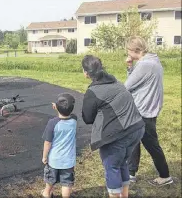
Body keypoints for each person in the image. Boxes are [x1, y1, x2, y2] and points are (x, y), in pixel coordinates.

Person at [81, 55, 145, 198]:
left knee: (112, 167)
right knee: (122, 162)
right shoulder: (115, 81)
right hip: (137, 128)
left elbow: (87, 118)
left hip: (118, 135)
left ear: (86, 72)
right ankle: (125, 195)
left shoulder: (93, 92)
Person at [125, 36, 173, 186]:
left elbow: (127, 85)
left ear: (135, 50)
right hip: (147, 108)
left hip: (143, 111)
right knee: (133, 140)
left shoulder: (145, 65)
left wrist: (130, 69)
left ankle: (165, 176)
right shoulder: (153, 61)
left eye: (128, 50)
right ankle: (131, 173)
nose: (127, 52)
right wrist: (130, 67)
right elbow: (138, 81)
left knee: (151, 144)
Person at [41, 93, 77, 198]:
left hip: (54, 159)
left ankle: (47, 193)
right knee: (67, 183)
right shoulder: (74, 120)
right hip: (68, 161)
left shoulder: (52, 123)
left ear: (56, 107)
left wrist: (44, 156)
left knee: (50, 179)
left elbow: (47, 142)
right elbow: (69, 114)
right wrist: (58, 108)